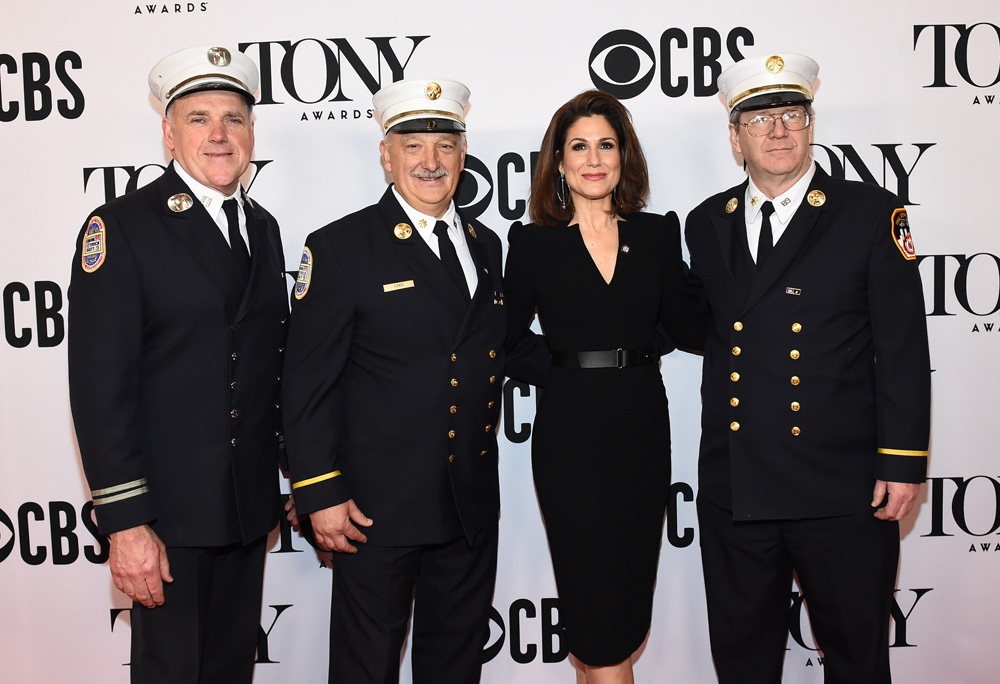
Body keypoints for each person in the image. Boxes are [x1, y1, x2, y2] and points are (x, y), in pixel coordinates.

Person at [280, 78, 548, 684]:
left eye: (445, 145)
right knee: (364, 669)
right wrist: (318, 489)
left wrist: (605, 357)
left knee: (454, 669)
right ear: (386, 154)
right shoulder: (340, 247)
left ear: (462, 153)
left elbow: (497, 345)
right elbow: (306, 382)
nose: (430, 161)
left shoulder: (485, 244)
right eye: (412, 145)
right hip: (374, 511)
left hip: (468, 505)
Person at [684, 52, 931, 683]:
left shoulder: (870, 213)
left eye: (790, 113)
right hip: (736, 487)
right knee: (743, 665)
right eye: (758, 119)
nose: (777, 130)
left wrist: (903, 463)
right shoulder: (708, 222)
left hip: (843, 490)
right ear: (735, 137)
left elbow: (902, 348)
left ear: (810, 124)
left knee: (856, 661)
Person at [68, 46, 288, 683]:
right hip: (165, 520)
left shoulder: (264, 228)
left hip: (246, 511)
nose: (218, 135)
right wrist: (126, 524)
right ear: (168, 132)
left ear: (251, 133)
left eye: (233, 118)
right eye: (198, 119)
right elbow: (99, 389)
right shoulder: (123, 227)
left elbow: (265, 365)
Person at [504, 90, 706, 684]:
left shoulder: (657, 234)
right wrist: (571, 367)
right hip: (570, 441)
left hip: (642, 432)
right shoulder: (534, 243)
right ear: (559, 162)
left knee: (623, 606)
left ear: (624, 157)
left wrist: (634, 354)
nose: (594, 159)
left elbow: (688, 326)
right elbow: (505, 341)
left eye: (606, 145)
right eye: (579, 147)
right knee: (595, 615)